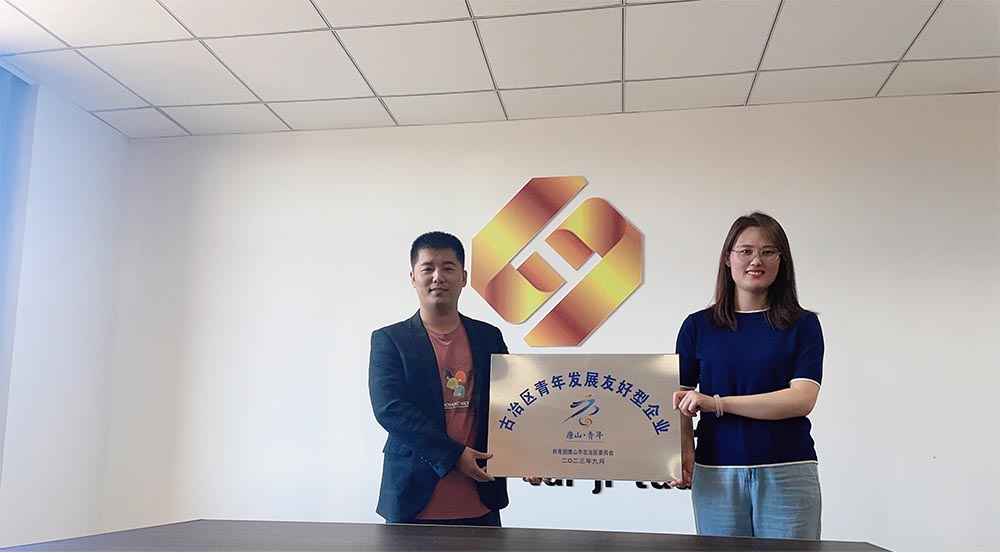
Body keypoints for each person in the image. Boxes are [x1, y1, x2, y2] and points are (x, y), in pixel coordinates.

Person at [670, 212, 824, 539]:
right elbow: (678, 398)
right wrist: (683, 451)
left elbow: (802, 399)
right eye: (746, 251)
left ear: (782, 261)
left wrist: (717, 403)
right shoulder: (698, 326)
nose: (756, 260)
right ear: (728, 258)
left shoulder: (802, 325)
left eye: (768, 252)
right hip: (716, 471)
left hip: (788, 469)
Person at [369, 231, 509, 525]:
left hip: (480, 498)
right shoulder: (389, 340)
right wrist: (454, 456)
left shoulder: (488, 337)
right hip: (412, 499)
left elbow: (511, 400)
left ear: (464, 277)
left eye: (448, 267)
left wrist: (532, 455)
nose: (438, 277)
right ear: (413, 277)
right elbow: (390, 409)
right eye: (428, 268)